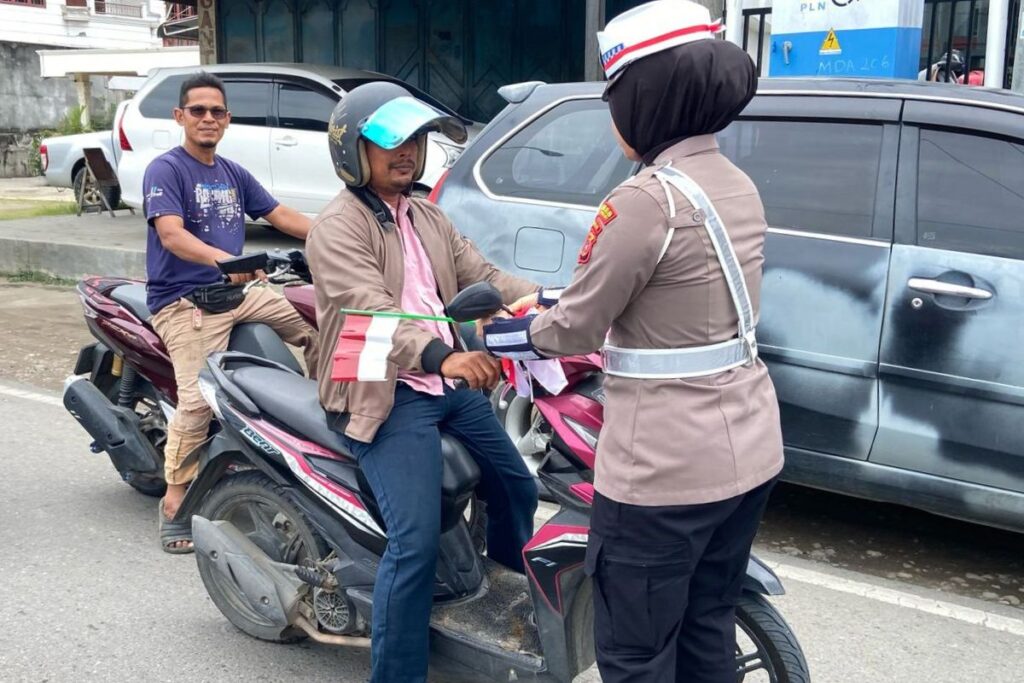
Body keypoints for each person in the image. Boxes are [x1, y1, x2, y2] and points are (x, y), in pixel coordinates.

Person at [483, 2, 784, 681]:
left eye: (614, 96)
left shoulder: (646, 200)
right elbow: (674, 299)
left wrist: (506, 331)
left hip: (663, 470)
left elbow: (576, 327)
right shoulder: (737, 186)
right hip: (747, 451)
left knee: (636, 654)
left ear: (646, 99)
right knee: (707, 628)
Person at [305, 82, 540, 682]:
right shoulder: (337, 227)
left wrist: (546, 301)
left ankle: (501, 609)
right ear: (352, 149)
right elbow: (369, 312)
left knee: (517, 488)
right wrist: (443, 355)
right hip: (381, 390)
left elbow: (482, 274)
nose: (406, 152)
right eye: (389, 142)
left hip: (444, 384)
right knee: (413, 543)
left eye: (414, 140)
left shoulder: (428, 215)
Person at [144, 71, 319, 553]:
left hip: (240, 292)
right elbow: (172, 235)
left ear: (227, 120)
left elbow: (281, 215)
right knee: (198, 400)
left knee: (321, 329)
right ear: (180, 116)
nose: (207, 118)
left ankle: (328, 425)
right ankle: (175, 499)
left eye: (216, 111)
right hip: (186, 300)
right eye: (197, 110)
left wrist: (335, 236)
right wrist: (226, 262)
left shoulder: (232, 173)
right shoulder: (167, 169)